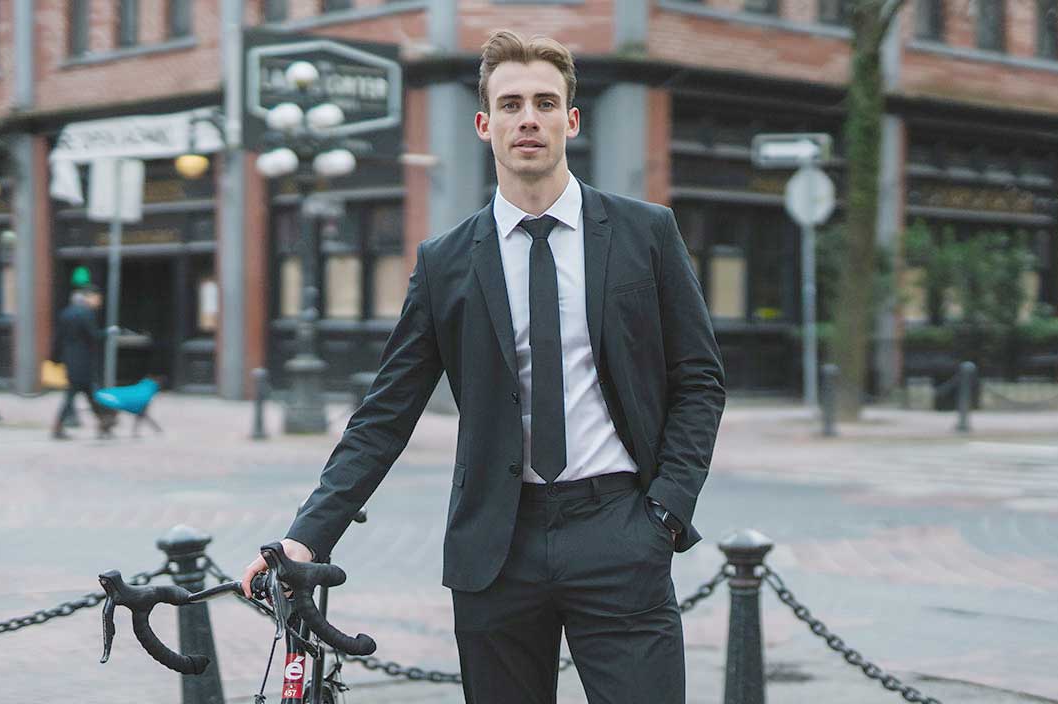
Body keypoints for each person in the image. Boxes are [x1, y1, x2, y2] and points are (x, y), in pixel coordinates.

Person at [241, 30, 725, 703]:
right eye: (512, 104)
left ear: (570, 120)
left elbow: (699, 379)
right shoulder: (446, 261)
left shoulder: (646, 233)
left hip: (619, 531)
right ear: (484, 123)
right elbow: (386, 413)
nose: (529, 118)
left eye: (545, 103)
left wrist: (666, 511)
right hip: (496, 548)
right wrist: (305, 537)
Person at [50, 285, 117, 440]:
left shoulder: (66, 313)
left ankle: (103, 423)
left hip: (70, 360)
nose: (98, 302)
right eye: (97, 299)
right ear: (89, 297)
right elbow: (94, 336)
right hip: (83, 361)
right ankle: (103, 423)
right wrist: (108, 332)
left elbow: (58, 338)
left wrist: (54, 358)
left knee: (85, 394)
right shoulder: (86, 314)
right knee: (78, 394)